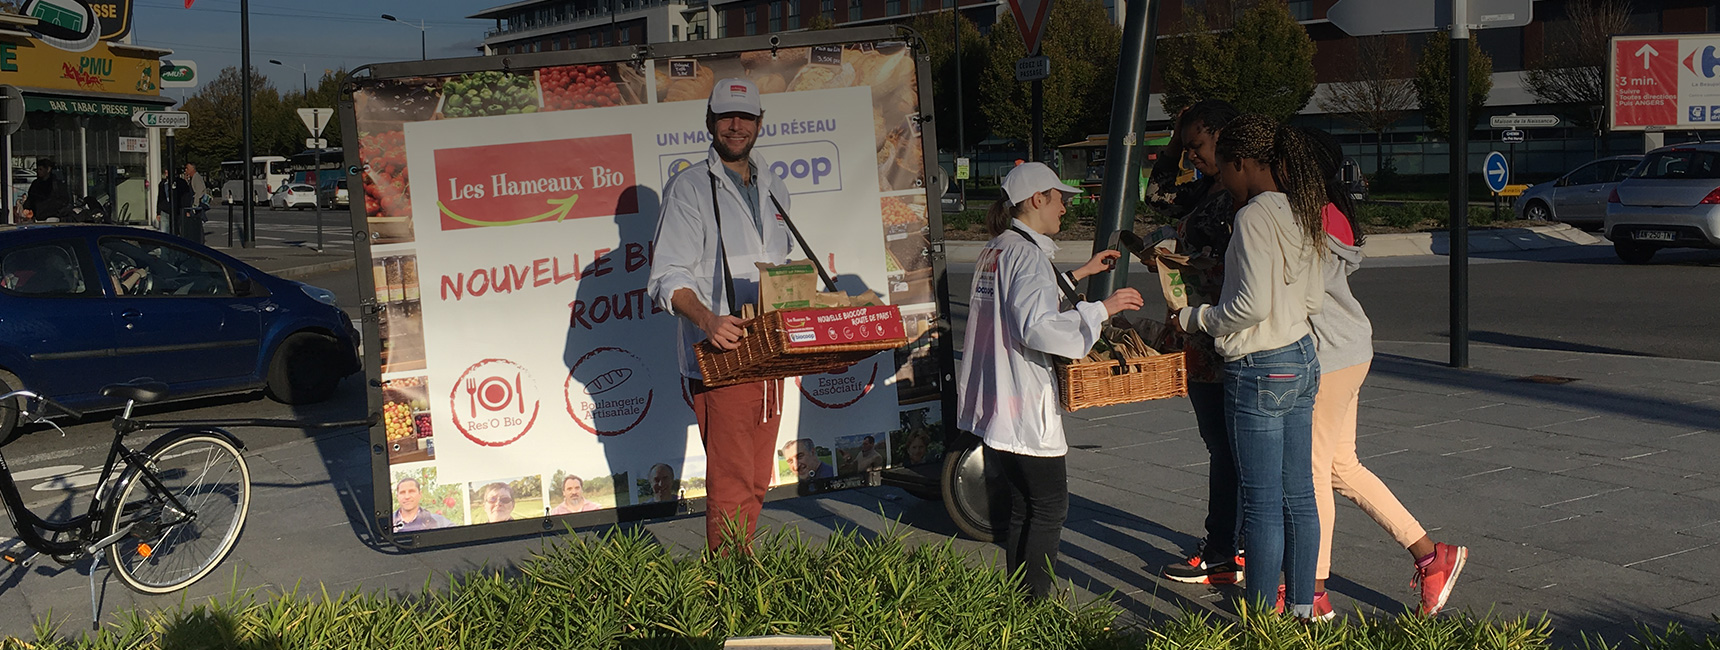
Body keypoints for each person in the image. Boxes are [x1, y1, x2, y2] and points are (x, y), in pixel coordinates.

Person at [1301, 128, 1468, 617]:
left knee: (1315, 473)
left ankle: (1312, 591)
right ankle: (1433, 557)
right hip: (1349, 348)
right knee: (1340, 467)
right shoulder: (1335, 210)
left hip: (1328, 354)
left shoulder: (1308, 214)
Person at [958, 162, 1143, 600]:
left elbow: (1025, 299)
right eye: (1060, 197)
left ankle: (1021, 605)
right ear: (1037, 199)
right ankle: (1038, 607)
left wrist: (1082, 274)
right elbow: (1037, 326)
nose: (1065, 205)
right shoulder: (1028, 255)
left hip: (998, 399)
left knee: (1024, 506)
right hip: (1023, 399)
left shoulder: (999, 248)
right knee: (1048, 509)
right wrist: (1103, 308)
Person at [1170, 114, 1325, 619]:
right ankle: (1302, 611)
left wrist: (1197, 317)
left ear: (1241, 162)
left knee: (1260, 505)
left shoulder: (1254, 215)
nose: (1222, 180)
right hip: (1302, 355)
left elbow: (1250, 306)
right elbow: (1315, 296)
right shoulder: (1301, 207)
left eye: (1225, 170)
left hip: (1259, 365)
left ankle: (1260, 620)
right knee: (1298, 495)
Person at [647, 78, 799, 552]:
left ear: (759, 123)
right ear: (710, 122)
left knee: (756, 478)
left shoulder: (775, 187)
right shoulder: (689, 187)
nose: (737, 126)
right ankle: (730, 586)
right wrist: (709, 320)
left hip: (770, 355)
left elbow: (781, 267)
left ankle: (741, 565)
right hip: (724, 351)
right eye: (727, 117)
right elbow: (666, 277)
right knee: (733, 482)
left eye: (746, 117)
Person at [1147, 99, 1247, 587]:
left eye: (1197, 146)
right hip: (1202, 334)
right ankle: (1231, 544)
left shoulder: (1240, 195)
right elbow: (1158, 195)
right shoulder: (1210, 187)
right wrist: (1173, 143)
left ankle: (1227, 548)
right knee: (1221, 444)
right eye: (1186, 148)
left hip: (1223, 331)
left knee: (1229, 448)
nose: (1190, 158)